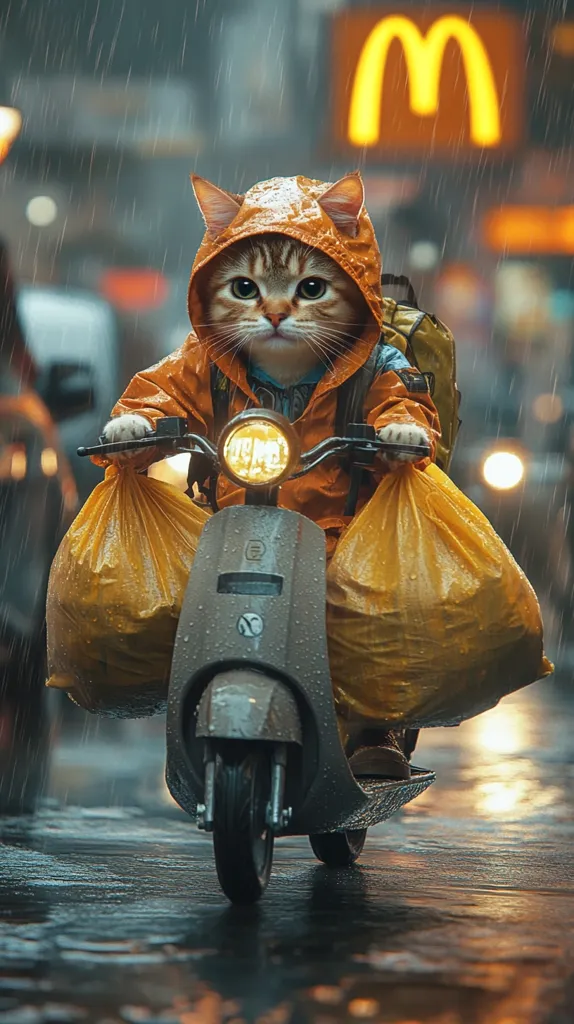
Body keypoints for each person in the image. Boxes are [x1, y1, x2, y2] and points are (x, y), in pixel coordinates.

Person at [93, 172, 441, 778]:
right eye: (247, 289)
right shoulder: (210, 360)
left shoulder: (375, 362)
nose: (277, 312)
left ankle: (375, 727)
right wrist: (136, 427)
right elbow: (160, 394)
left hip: (343, 534)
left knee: (366, 615)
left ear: (353, 284)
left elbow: (403, 403)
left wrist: (402, 431)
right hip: (237, 527)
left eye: (309, 289)